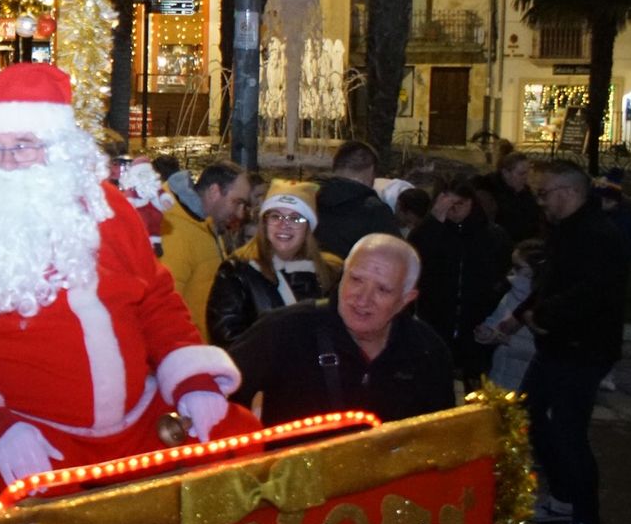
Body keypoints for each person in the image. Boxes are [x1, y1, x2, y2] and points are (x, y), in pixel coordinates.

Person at [0, 63, 248, 500]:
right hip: (31, 433)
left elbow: (156, 301)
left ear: (59, 150)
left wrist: (189, 377)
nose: (6, 162)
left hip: (140, 421)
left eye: (23, 145)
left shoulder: (109, 211)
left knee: (243, 455)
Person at [516, 161, 629, 524]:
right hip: (560, 346)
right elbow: (552, 281)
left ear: (568, 193)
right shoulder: (570, 231)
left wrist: (543, 316)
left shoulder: (595, 236)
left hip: (580, 349)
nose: (541, 201)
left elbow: (591, 293)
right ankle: (563, 498)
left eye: (545, 193)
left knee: (569, 432)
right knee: (528, 412)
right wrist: (527, 315)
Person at [229, 234, 456, 427]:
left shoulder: (427, 352)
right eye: (356, 279)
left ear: (406, 299)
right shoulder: (286, 329)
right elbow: (218, 391)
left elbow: (440, 442)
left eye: (383, 289)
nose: (363, 298)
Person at [206, 181, 343, 347]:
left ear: (309, 227)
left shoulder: (333, 272)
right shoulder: (238, 272)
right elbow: (228, 339)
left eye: (295, 218)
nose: (284, 225)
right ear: (264, 223)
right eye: (275, 216)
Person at [407, 179, 510, 385]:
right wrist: (434, 220)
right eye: (449, 205)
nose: (453, 210)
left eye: (460, 204)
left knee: (476, 378)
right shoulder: (433, 231)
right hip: (437, 316)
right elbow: (413, 255)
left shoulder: (491, 235)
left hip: (476, 318)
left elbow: (501, 274)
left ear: (471, 203)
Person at [157, 161, 251, 337]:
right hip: (189, 354)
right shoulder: (176, 231)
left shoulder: (204, 224)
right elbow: (164, 309)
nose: (240, 213)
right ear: (214, 192)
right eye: (237, 202)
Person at [475, 239, 544, 391]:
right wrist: (486, 333)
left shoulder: (544, 303)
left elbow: (544, 348)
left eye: (518, 267)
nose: (512, 272)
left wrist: (509, 341)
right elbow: (494, 322)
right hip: (499, 379)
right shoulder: (510, 295)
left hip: (527, 384)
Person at [314, 141, 397, 258]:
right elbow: (394, 259)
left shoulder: (308, 199)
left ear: (335, 166)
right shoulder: (376, 212)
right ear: (371, 170)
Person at [474, 150, 543, 244]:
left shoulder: (525, 191)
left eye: (528, 173)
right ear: (506, 173)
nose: (526, 177)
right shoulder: (490, 191)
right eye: (521, 174)